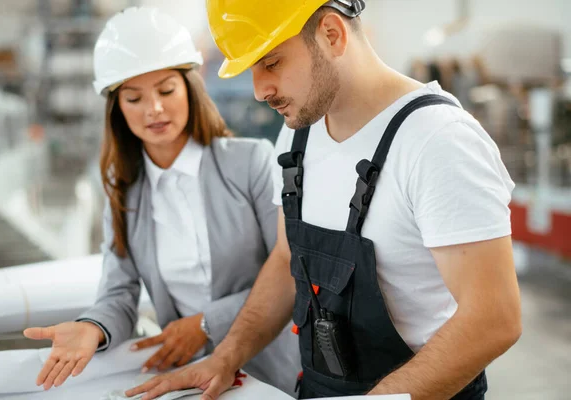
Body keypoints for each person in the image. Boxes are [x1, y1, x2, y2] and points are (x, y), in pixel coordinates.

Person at [126, 1, 522, 399]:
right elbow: (286, 261)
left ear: (332, 34)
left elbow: (493, 319)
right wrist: (225, 357)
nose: (259, 90)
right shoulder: (300, 133)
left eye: (272, 62)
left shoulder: (437, 142)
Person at [22, 6, 300, 396]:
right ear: (117, 107)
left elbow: (290, 270)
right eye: (134, 97)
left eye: (166, 90)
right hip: (185, 376)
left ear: (190, 87)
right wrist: (92, 329)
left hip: (271, 371)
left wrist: (206, 323)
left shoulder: (249, 161)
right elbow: (119, 293)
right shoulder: (122, 187)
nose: (153, 108)